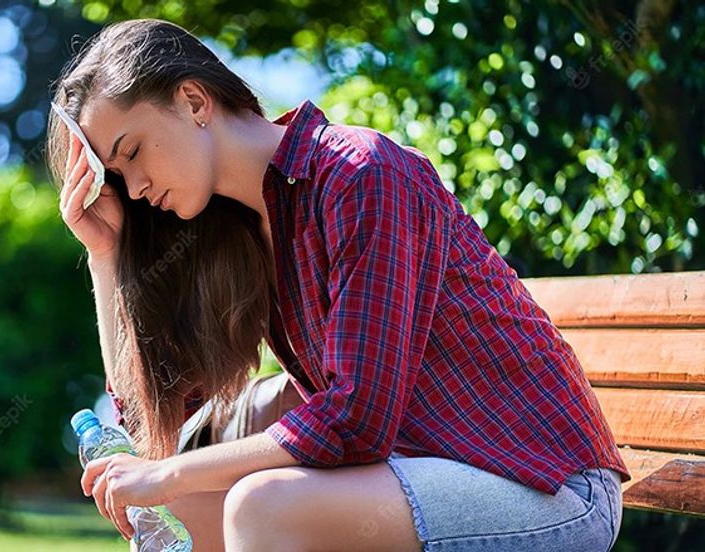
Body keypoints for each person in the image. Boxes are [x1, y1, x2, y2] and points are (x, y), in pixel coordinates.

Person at [46, 18, 630, 552]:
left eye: (133, 153)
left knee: (261, 506)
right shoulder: (237, 234)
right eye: (116, 176)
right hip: (417, 477)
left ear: (193, 100)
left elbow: (356, 420)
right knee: (176, 516)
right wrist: (106, 255)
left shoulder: (359, 174)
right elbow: (152, 428)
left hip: (545, 486)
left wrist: (169, 474)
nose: (138, 187)